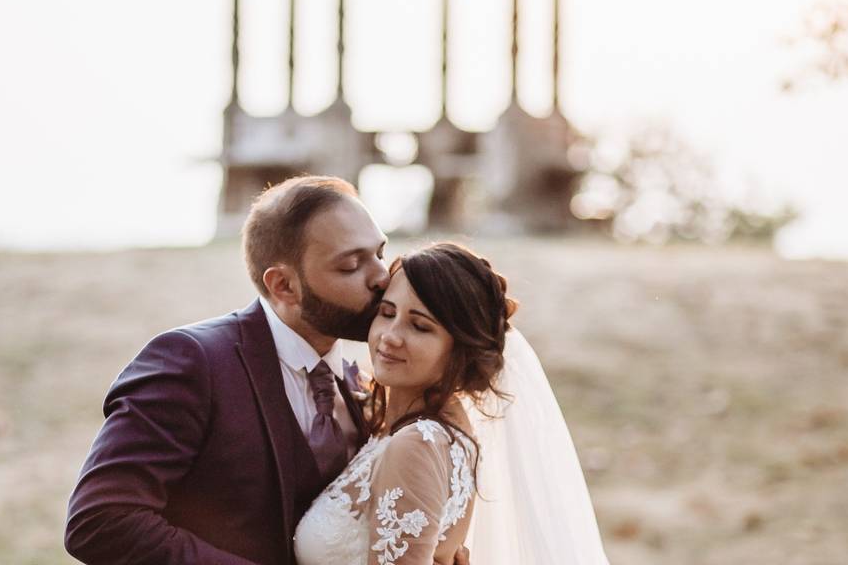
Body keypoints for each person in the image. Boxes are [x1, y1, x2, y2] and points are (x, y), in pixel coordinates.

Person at [64, 176, 470, 565]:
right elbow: (100, 520)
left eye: (380, 253)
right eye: (351, 266)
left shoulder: (358, 381)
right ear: (283, 286)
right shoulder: (192, 362)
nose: (382, 277)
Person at [294, 242, 611, 565]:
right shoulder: (432, 428)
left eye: (420, 326)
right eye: (387, 313)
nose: (390, 335)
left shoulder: (417, 444)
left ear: (460, 349)